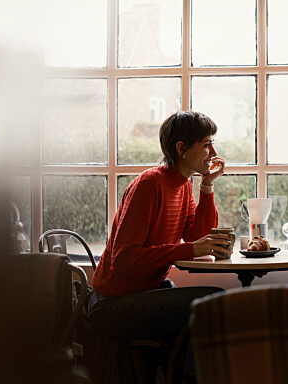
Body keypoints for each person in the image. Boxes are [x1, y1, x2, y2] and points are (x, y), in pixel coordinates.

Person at [88, 110, 230, 380]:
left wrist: (207, 186)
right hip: (111, 305)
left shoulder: (183, 185)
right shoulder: (149, 184)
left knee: (206, 305)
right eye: (206, 144)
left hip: (143, 293)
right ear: (181, 148)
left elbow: (195, 235)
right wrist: (191, 250)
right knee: (213, 301)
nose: (213, 152)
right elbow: (124, 260)